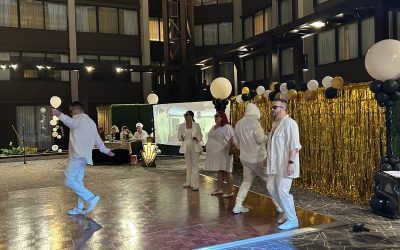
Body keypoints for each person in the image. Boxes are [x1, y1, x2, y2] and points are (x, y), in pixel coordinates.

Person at [52, 101, 114, 215]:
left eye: (71, 111)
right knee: (78, 182)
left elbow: (69, 122)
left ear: (76, 110)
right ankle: (79, 208)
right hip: (84, 157)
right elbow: (98, 141)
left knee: (69, 180)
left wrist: (59, 114)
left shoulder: (78, 119)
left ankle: (91, 198)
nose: (70, 113)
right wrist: (107, 151)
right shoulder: (91, 122)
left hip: (77, 156)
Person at [266, 99, 301, 230]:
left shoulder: (290, 123)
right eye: (272, 107)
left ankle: (293, 219)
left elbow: (294, 146)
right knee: (271, 187)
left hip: (285, 163)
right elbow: (272, 145)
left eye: (275, 107)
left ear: (283, 108)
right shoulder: (275, 124)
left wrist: (291, 163)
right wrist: (266, 158)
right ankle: (286, 211)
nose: (272, 110)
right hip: (274, 163)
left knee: (282, 190)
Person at [232, 103, 273, 214]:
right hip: (259, 158)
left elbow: (236, 141)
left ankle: (238, 204)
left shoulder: (238, 123)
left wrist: (243, 148)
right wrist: (268, 135)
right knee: (270, 181)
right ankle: (280, 207)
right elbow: (260, 139)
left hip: (245, 158)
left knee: (246, 181)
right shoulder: (255, 123)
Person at [205, 111, 234, 197]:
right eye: (214, 116)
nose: (215, 117)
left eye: (217, 116)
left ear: (222, 117)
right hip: (217, 153)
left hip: (224, 152)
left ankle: (230, 191)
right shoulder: (214, 127)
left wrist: (231, 149)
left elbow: (231, 139)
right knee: (220, 170)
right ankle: (219, 188)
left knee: (227, 171)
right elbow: (211, 138)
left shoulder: (227, 127)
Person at [177, 110, 203, 191]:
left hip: (194, 145)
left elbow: (200, 135)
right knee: (188, 164)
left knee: (195, 165)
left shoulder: (196, 125)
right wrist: (181, 136)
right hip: (186, 145)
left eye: (187, 115)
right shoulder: (181, 126)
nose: (185, 116)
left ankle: (195, 184)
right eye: (184, 115)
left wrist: (197, 138)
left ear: (191, 116)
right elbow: (178, 136)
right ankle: (188, 182)